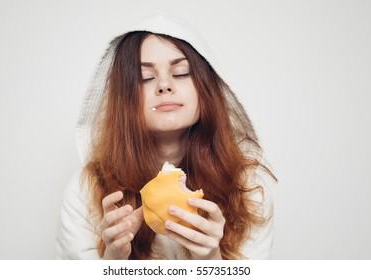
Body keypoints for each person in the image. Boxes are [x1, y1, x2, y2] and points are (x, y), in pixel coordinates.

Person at [56, 14, 276, 260]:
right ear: (124, 99)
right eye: (145, 78)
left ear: (206, 89)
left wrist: (211, 259)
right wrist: (112, 260)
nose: (164, 85)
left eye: (181, 73)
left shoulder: (247, 188)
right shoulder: (85, 191)